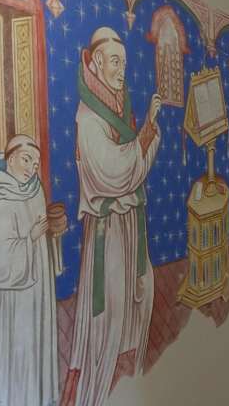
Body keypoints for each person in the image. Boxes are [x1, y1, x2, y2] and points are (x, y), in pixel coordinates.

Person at [65, 26, 162, 406]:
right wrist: (144, 137)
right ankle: (104, 374)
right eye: (115, 62)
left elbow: (135, 170)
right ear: (96, 63)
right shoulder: (89, 117)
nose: (122, 70)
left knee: (143, 289)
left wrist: (148, 128)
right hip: (108, 229)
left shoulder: (121, 106)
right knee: (112, 306)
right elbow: (113, 170)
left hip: (129, 222)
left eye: (124, 63)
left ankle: (129, 362)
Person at [0, 134, 60, 406]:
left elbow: (43, 236)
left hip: (38, 289)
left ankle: (40, 396)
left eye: (36, 164)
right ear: (10, 158)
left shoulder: (35, 190)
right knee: (20, 347)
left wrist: (52, 232)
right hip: (14, 297)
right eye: (26, 160)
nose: (31, 168)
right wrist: (31, 238)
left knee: (37, 343)